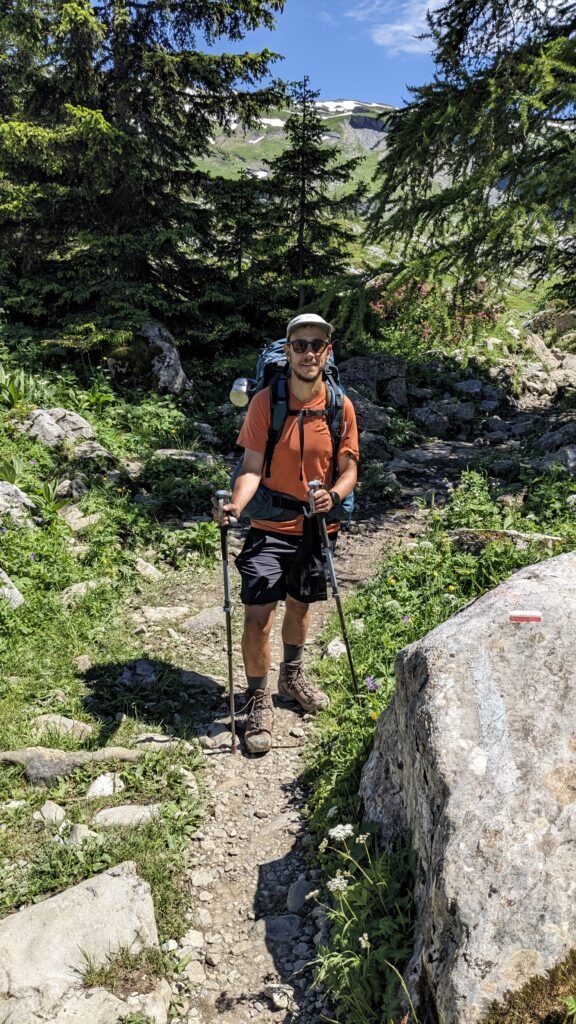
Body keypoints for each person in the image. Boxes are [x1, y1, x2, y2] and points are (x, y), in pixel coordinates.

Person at [214, 313, 359, 754]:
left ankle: (291, 677)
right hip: (270, 526)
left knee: (300, 605)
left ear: (327, 352)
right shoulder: (265, 402)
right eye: (300, 345)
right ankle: (258, 698)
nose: (309, 352)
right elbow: (252, 468)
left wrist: (332, 496)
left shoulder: (340, 406)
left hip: (317, 526)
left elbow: (350, 468)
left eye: (317, 345)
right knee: (258, 614)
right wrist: (237, 505)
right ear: (288, 352)